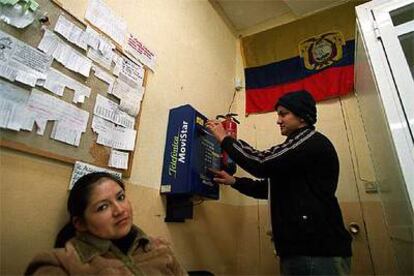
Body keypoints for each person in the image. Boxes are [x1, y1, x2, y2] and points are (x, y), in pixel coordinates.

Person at [206, 90, 352, 275]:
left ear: (302, 116)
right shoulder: (299, 148)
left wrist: (225, 138)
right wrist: (234, 181)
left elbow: (260, 162)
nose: (278, 120)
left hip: (316, 251)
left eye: (283, 114)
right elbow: (270, 188)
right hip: (302, 250)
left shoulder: (308, 142)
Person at [25, 172, 187, 275]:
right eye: (103, 207)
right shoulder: (59, 264)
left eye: (120, 197)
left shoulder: (159, 248)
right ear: (80, 223)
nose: (119, 210)